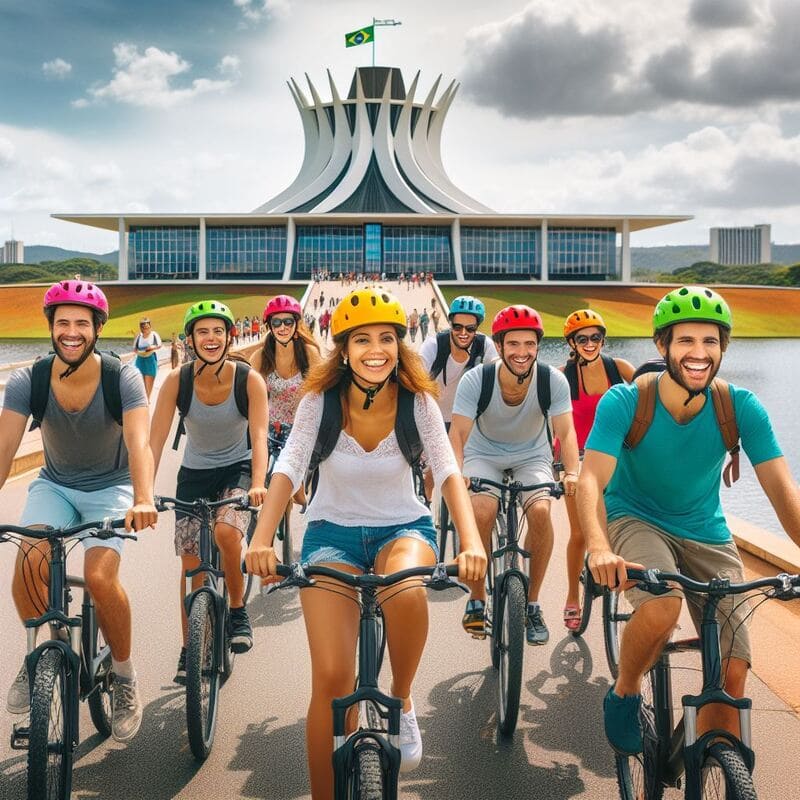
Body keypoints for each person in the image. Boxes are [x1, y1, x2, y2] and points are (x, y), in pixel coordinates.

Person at [245, 288, 486, 799]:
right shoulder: (320, 400)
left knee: (408, 592)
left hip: (403, 528)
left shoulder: (418, 400)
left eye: (386, 339)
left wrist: (470, 541)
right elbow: (289, 465)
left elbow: (446, 467)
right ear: (344, 349)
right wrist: (261, 537)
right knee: (332, 683)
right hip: (331, 534)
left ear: (400, 345)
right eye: (362, 340)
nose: (376, 350)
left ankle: (402, 699)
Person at [577, 286, 800, 756]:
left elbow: (783, 493)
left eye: (710, 342)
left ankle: (705, 759)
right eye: (685, 341)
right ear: (662, 346)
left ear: (723, 348)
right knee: (662, 606)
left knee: (733, 670)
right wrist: (598, 546)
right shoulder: (624, 401)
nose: (699, 354)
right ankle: (625, 690)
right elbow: (591, 480)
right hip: (635, 519)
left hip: (706, 531)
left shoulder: (740, 407)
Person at [0, 280, 157, 742]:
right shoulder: (28, 380)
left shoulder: (120, 376)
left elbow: (138, 443)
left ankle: (125, 678)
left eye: (81, 324)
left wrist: (144, 497)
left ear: (97, 329)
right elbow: (6, 446)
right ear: (51, 327)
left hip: (111, 487)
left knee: (100, 576)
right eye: (63, 322)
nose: (71, 332)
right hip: (56, 486)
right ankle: (41, 658)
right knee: (29, 562)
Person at [149, 300, 268, 683]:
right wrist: (142, 491)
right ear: (190, 339)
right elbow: (155, 440)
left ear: (230, 336)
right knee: (190, 563)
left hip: (239, 468)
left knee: (227, 533)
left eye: (218, 330)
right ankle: (189, 650)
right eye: (203, 331)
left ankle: (237, 610)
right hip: (194, 475)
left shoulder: (248, 379)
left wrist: (260, 483)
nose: (211, 338)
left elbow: (260, 435)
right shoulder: (177, 381)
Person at [449, 305, 580, 644]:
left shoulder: (552, 380)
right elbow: (459, 435)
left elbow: (565, 432)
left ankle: (532, 603)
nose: (522, 353)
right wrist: (458, 473)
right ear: (500, 346)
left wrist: (572, 472)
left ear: (538, 346)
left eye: (530, 344)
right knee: (481, 510)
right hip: (483, 453)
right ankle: (477, 599)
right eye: (513, 344)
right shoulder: (477, 380)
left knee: (539, 512)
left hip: (531, 455)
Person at [558, 309, 634, 631]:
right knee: (579, 533)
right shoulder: (562, 376)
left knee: (624, 527)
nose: (590, 343)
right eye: (582, 338)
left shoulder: (619, 369)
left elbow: (649, 401)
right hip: (576, 461)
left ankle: (638, 596)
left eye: (595, 337)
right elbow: (555, 425)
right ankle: (572, 596)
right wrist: (566, 469)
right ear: (572, 343)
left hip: (615, 458)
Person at [250, 294, 321, 431]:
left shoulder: (310, 354)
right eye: (276, 323)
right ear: (270, 327)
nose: (282, 328)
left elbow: (322, 392)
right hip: (271, 431)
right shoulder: (259, 357)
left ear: (296, 324)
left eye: (288, 322)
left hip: (304, 429)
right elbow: (249, 398)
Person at [132, 317, 161, 400]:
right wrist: (138, 351)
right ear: (141, 328)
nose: (146, 329)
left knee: (148, 383)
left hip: (150, 359)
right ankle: (142, 401)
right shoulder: (139, 337)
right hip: (140, 360)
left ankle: (147, 401)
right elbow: (134, 348)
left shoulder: (154, 334)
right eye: (144, 328)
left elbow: (159, 345)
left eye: (148, 327)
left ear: (150, 327)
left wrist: (151, 347)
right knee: (140, 383)